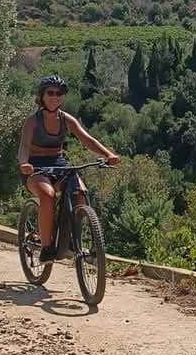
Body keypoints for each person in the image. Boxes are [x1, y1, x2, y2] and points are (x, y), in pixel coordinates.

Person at [18, 74, 120, 261]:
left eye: (59, 93)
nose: (55, 96)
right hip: (35, 167)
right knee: (47, 196)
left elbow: (87, 139)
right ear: (42, 96)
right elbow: (24, 147)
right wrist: (24, 163)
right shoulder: (33, 120)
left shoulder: (66, 119)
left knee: (80, 191)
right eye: (50, 93)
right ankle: (47, 247)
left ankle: (75, 238)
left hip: (58, 164)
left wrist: (108, 154)